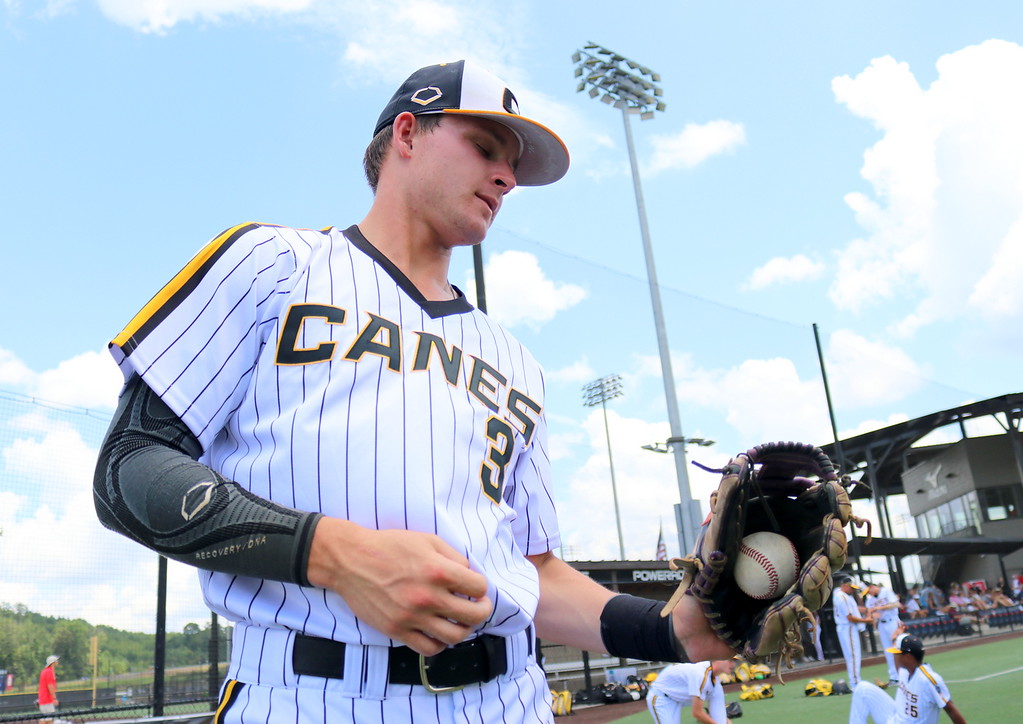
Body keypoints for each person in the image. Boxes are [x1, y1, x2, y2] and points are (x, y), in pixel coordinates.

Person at [92, 60, 735, 724]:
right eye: (485, 147)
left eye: (511, 166)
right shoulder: (276, 265)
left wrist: (669, 631)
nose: (506, 177)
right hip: (314, 694)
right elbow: (130, 467)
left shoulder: (515, 360)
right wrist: (333, 555)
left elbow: (530, 571)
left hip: (513, 700)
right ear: (406, 133)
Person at [848, 633, 968, 724]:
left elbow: (951, 709)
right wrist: (897, 635)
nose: (894, 656)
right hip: (895, 719)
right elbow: (901, 653)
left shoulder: (929, 679)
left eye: (897, 653)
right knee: (862, 689)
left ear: (908, 656)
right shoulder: (904, 672)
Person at [646, 659, 736, 724]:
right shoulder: (701, 674)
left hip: (679, 696)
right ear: (719, 659)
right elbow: (697, 713)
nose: (733, 665)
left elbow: (720, 717)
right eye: (731, 660)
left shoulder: (715, 679)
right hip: (661, 697)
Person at [833, 575, 872, 687]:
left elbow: (854, 609)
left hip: (846, 627)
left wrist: (867, 610)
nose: (853, 589)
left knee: (852, 656)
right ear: (844, 585)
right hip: (848, 627)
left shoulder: (842, 595)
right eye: (851, 587)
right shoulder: (842, 596)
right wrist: (866, 620)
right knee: (853, 656)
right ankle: (855, 682)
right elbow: (850, 617)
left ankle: (855, 681)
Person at [865, 581, 901, 688]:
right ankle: (894, 677)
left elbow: (895, 604)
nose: (869, 593)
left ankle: (903, 674)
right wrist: (872, 617)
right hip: (882, 624)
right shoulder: (870, 600)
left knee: (898, 648)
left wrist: (879, 608)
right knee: (888, 651)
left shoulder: (885, 591)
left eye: (868, 591)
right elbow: (871, 614)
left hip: (893, 622)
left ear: (872, 586)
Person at [37, 655, 59, 724]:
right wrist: (54, 698)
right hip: (47, 699)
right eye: (56, 661)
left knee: (45, 718)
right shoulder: (49, 672)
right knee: (48, 719)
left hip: (43, 698)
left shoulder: (44, 671)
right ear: (52, 663)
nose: (57, 662)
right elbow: (50, 686)